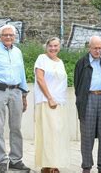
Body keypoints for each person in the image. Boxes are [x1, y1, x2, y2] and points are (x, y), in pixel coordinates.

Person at [0, 24, 30, 173]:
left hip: (16, 91)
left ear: (15, 37)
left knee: (16, 127)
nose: (8, 37)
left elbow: (21, 73)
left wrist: (24, 94)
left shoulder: (18, 52)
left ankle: (16, 159)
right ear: (0, 36)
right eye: (5, 35)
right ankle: (2, 160)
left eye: (11, 35)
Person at [74, 36, 101, 173]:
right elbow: (77, 84)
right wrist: (80, 100)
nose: (98, 51)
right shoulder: (81, 62)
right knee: (87, 135)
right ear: (89, 47)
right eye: (95, 48)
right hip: (88, 99)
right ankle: (86, 166)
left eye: (100, 48)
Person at [34, 37, 70, 173]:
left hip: (60, 103)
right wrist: (50, 98)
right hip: (46, 101)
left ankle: (55, 163)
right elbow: (40, 79)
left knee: (57, 134)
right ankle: (47, 165)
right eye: (51, 46)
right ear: (46, 46)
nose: (53, 48)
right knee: (47, 133)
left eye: (56, 46)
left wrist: (58, 100)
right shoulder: (41, 58)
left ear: (59, 47)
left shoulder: (60, 62)